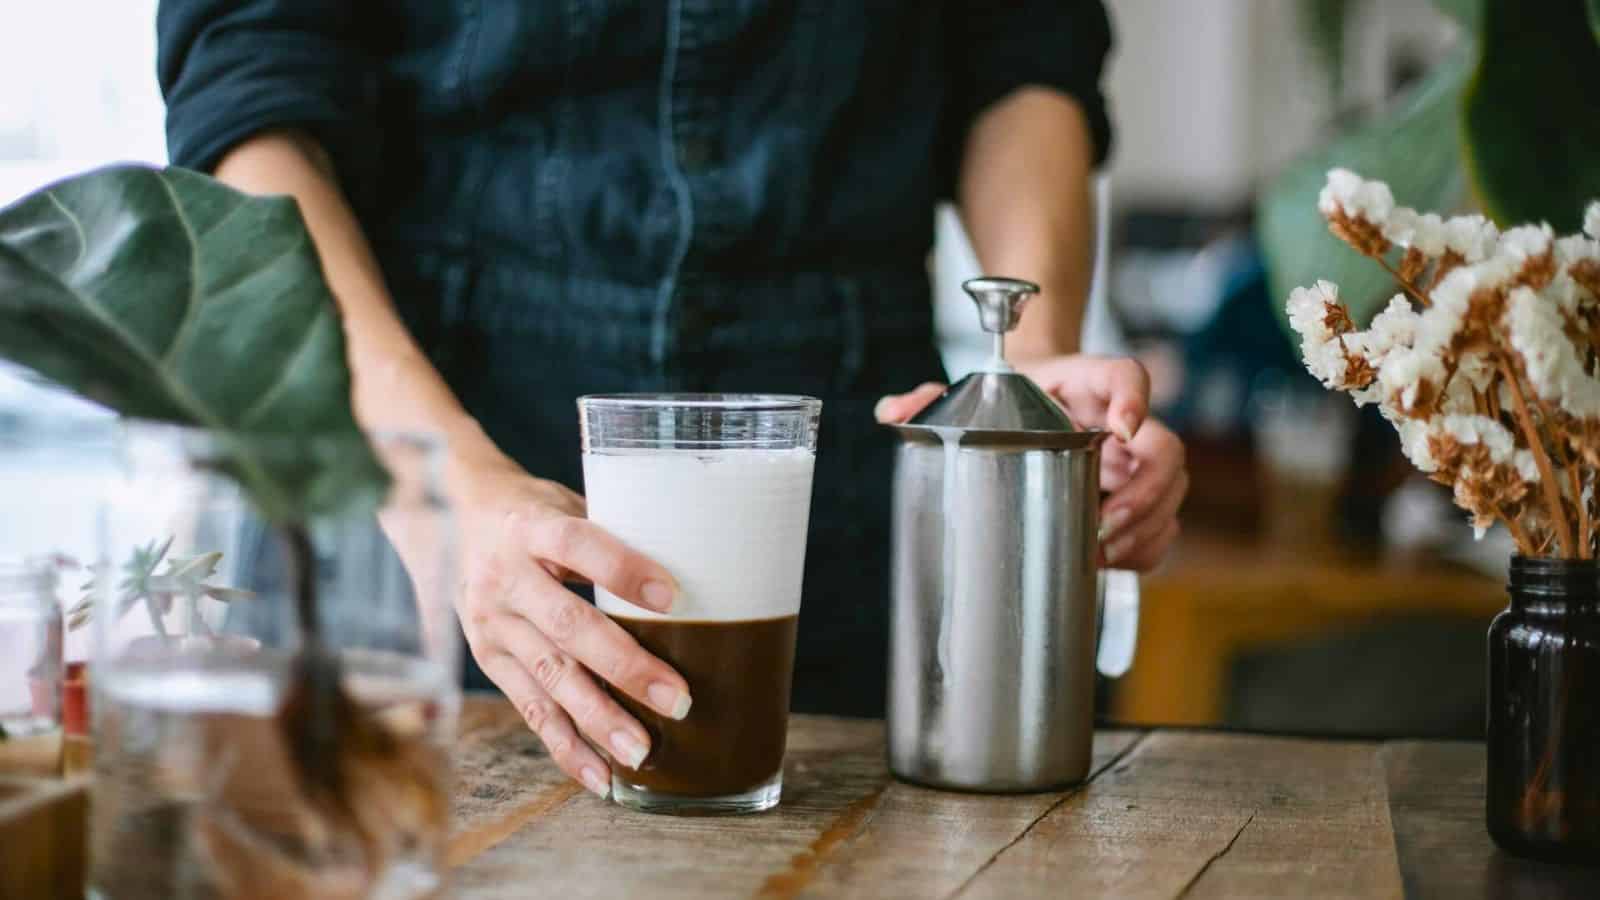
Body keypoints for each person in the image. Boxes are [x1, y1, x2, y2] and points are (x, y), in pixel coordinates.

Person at [156, 1, 1187, 797]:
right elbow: (248, 106)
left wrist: (1031, 363)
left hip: (845, 492)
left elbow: (1024, 58)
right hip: (402, 444)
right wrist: (445, 490)